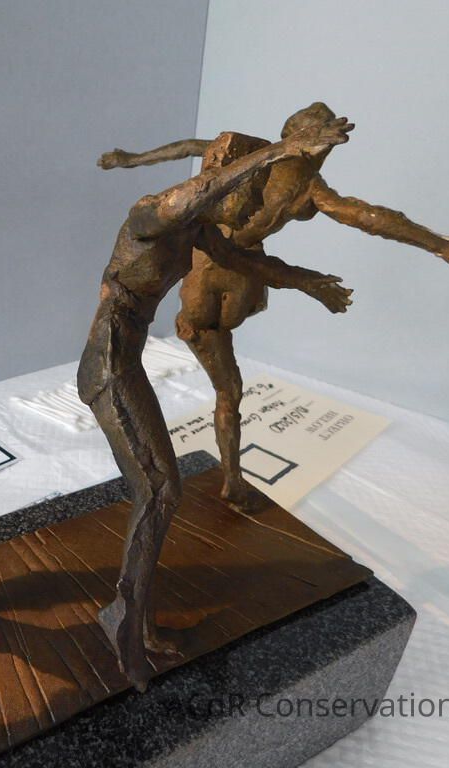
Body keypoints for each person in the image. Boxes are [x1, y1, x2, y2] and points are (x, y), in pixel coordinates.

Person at [99, 102, 449, 507]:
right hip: (220, 271)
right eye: (322, 133)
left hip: (229, 274)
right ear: (304, 137)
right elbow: (187, 148)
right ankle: (216, 475)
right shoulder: (268, 164)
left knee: (227, 387)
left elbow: (370, 217)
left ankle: (231, 480)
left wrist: (441, 245)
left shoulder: (294, 177)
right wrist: (131, 159)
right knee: (224, 383)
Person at [79, 114, 355, 690]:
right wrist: (284, 148)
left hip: (125, 361)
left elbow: (253, 263)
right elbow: (201, 190)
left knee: (161, 490)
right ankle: (124, 617)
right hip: (108, 364)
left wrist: (311, 282)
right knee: (161, 490)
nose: (249, 212)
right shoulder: (154, 212)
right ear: (223, 179)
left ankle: (131, 615)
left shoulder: (197, 232)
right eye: (246, 196)